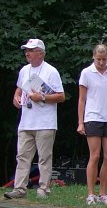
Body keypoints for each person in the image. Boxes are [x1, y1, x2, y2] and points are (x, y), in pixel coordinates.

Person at [5, 38, 65, 199]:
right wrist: (16, 98)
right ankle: (19, 189)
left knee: (44, 157)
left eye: (31, 50)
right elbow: (19, 89)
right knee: (22, 156)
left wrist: (42, 97)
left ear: (41, 53)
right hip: (26, 122)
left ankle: (43, 189)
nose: (27, 53)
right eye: (26, 50)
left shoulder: (51, 71)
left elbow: (61, 96)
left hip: (45, 122)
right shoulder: (24, 70)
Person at [77, 44, 107, 205]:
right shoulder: (86, 73)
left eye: (104, 59)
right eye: (98, 59)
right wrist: (80, 122)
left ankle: (103, 192)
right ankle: (91, 193)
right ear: (93, 57)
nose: (101, 62)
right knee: (95, 155)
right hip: (93, 117)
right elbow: (82, 99)